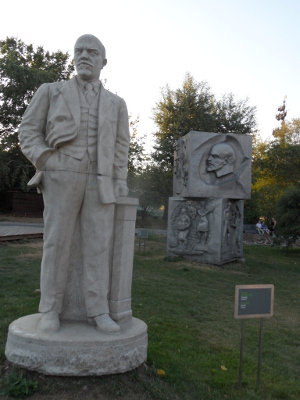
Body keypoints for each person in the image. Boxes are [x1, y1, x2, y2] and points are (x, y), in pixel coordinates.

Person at [18, 34, 130, 334]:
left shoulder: (116, 104)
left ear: (103, 61)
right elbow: (28, 130)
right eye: (79, 51)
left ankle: (98, 310)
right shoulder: (51, 91)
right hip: (61, 174)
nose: (84, 56)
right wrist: (46, 159)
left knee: (98, 246)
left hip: (101, 179)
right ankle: (50, 309)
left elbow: (121, 147)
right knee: (57, 242)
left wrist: (120, 179)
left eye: (92, 52)